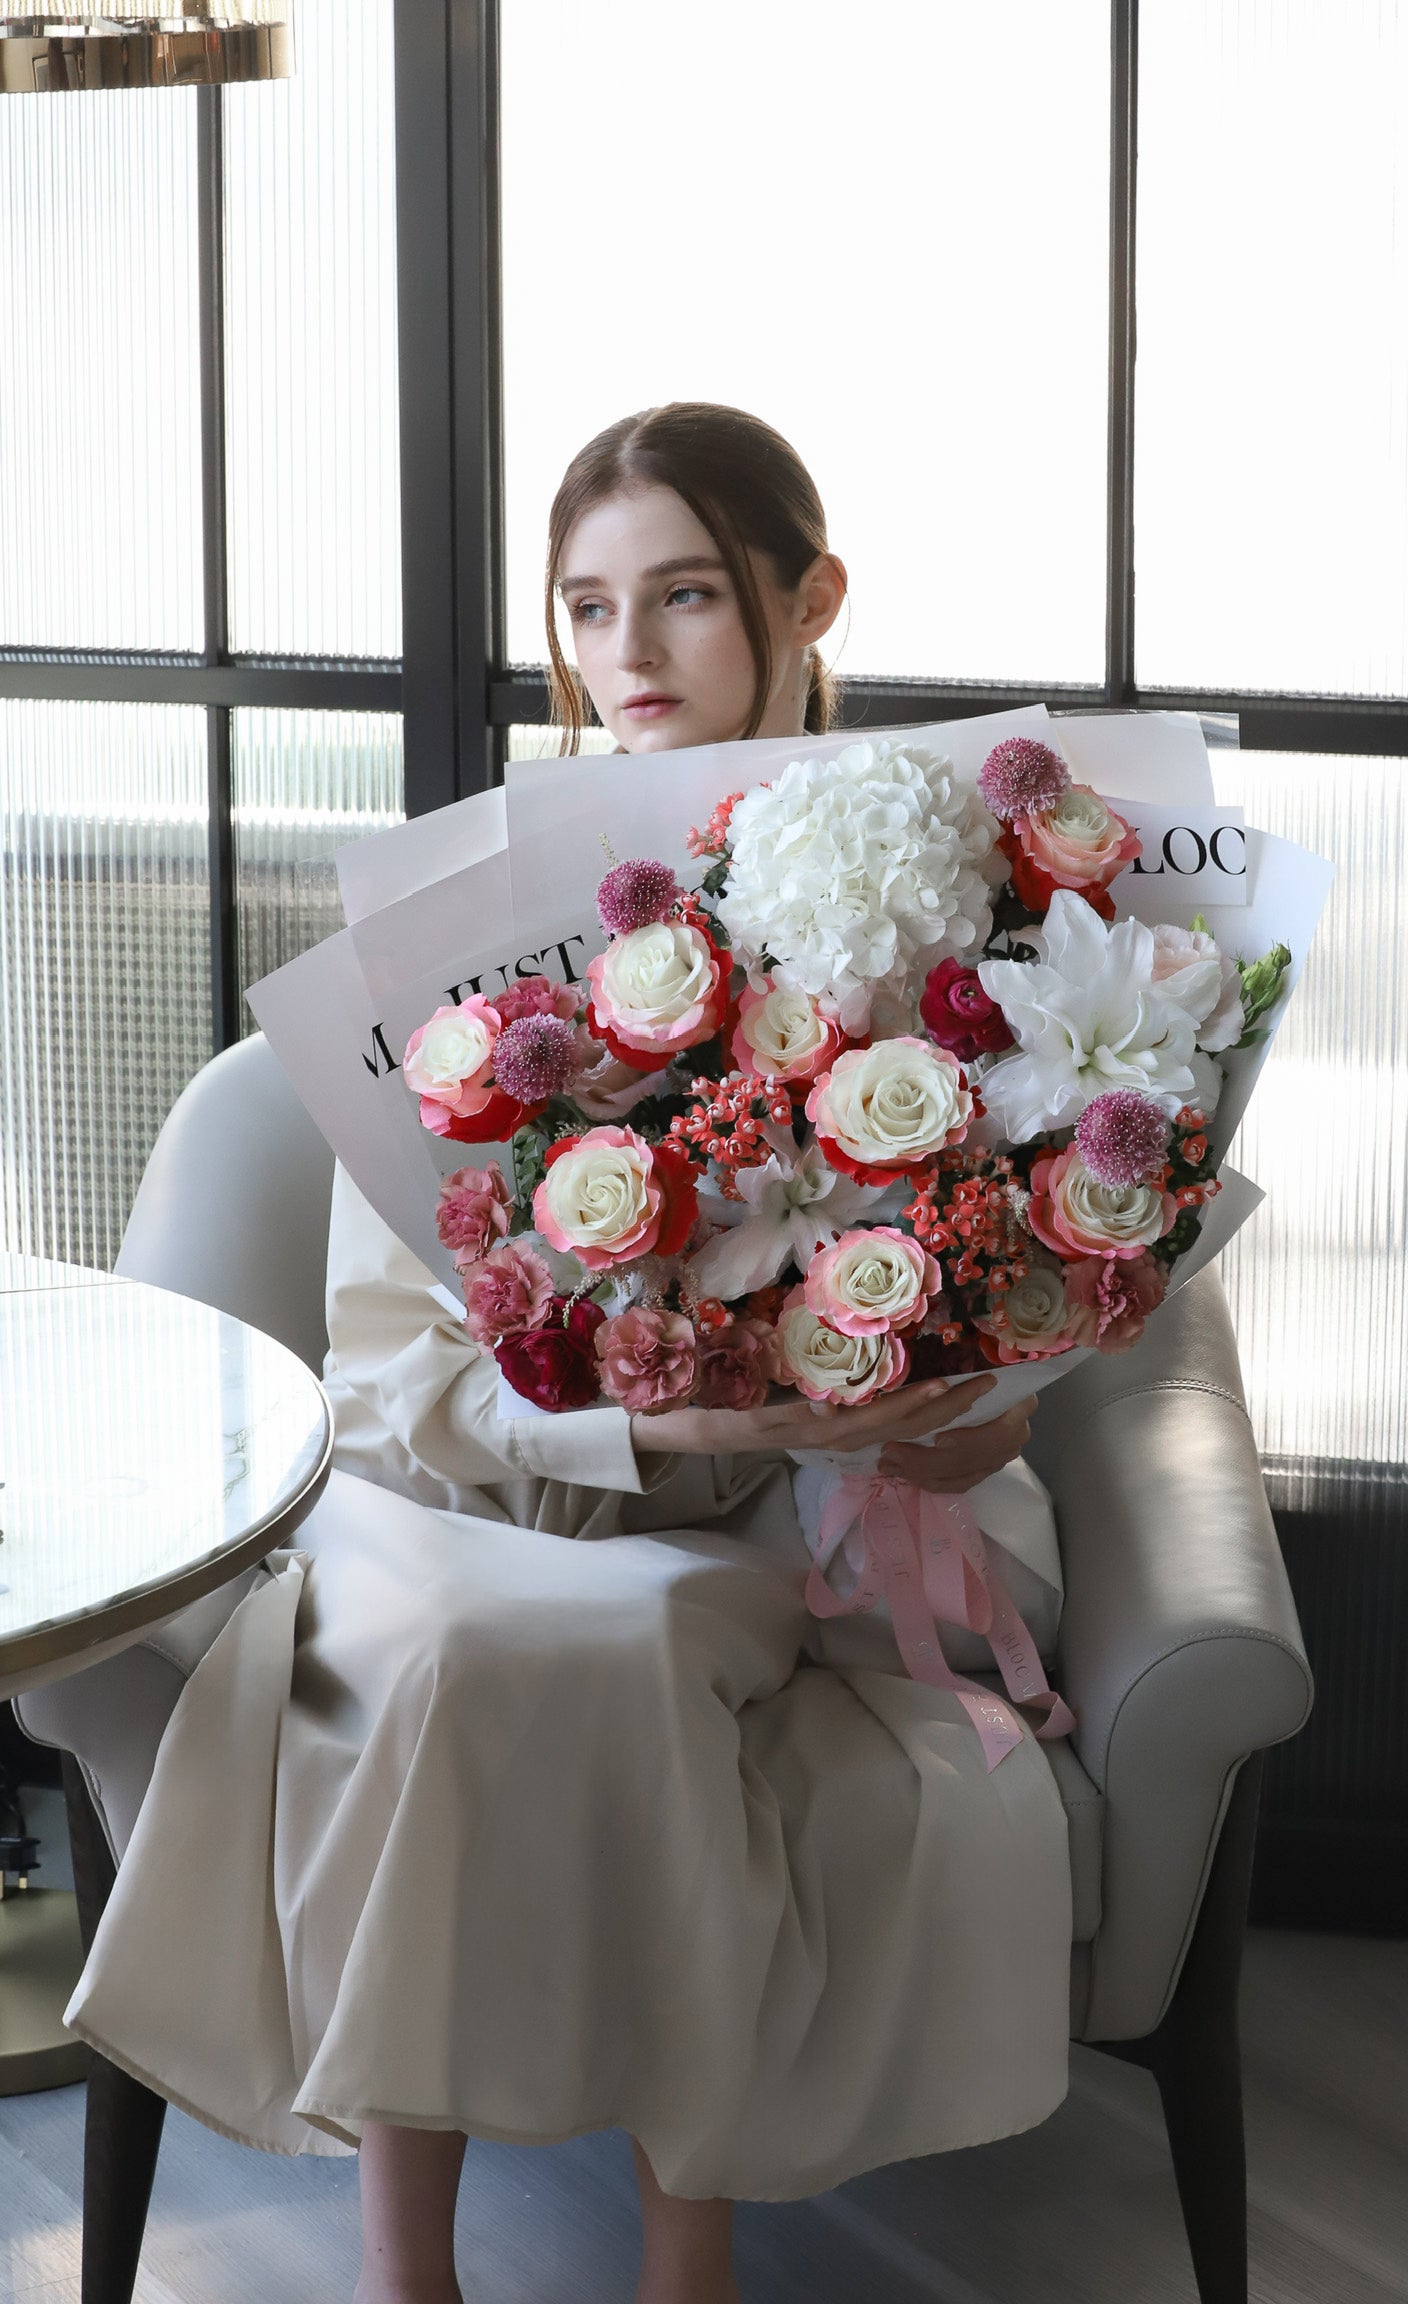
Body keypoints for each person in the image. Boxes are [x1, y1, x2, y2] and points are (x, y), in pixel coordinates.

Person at [66, 403, 1073, 2304]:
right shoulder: (473, 924)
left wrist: (941, 1400)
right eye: (591, 605)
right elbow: (376, 1375)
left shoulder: (926, 922)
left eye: (685, 596)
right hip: (435, 1500)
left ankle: (679, 2268)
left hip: (737, 1526)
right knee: (476, 1634)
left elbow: (982, 1284)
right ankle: (407, 2274)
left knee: (610, 1647)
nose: (629, 654)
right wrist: (626, 1403)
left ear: (809, 596)